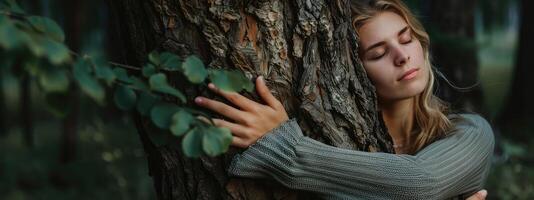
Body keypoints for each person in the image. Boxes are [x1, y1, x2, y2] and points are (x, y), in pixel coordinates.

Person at [193, 0, 494, 199]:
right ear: (354, 72)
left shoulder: (470, 132)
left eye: (406, 39)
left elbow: (421, 181)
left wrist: (287, 151)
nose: (402, 56)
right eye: (378, 53)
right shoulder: (337, 136)